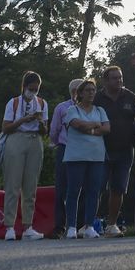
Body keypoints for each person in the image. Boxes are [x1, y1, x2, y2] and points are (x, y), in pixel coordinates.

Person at [93, 65, 135, 236]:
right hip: (101, 149)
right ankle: (89, 223)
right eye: (115, 78)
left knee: (119, 188)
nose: (119, 81)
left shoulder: (130, 96)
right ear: (105, 80)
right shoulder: (97, 98)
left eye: (120, 77)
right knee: (97, 187)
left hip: (125, 150)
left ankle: (111, 224)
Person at [0, 71, 48, 241]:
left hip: (35, 141)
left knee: (30, 186)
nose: (33, 92)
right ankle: (10, 227)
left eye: (36, 89)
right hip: (16, 139)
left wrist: (40, 123)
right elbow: (5, 128)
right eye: (30, 88)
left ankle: (28, 226)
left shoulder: (42, 103)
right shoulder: (13, 103)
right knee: (12, 184)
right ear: (24, 87)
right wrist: (23, 120)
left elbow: (45, 131)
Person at [62, 79, 111, 238]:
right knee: (73, 191)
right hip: (76, 156)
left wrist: (89, 128)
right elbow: (77, 124)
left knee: (93, 191)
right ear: (80, 93)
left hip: (96, 156)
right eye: (88, 90)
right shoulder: (72, 110)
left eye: (93, 90)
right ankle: (71, 227)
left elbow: (107, 128)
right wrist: (95, 125)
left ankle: (89, 226)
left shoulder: (100, 110)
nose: (91, 93)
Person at [48, 77, 80, 238]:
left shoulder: (92, 108)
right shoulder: (62, 108)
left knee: (81, 187)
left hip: (84, 149)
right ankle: (59, 226)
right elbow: (54, 130)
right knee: (61, 188)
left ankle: (80, 225)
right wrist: (57, 143)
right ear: (74, 92)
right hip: (65, 148)